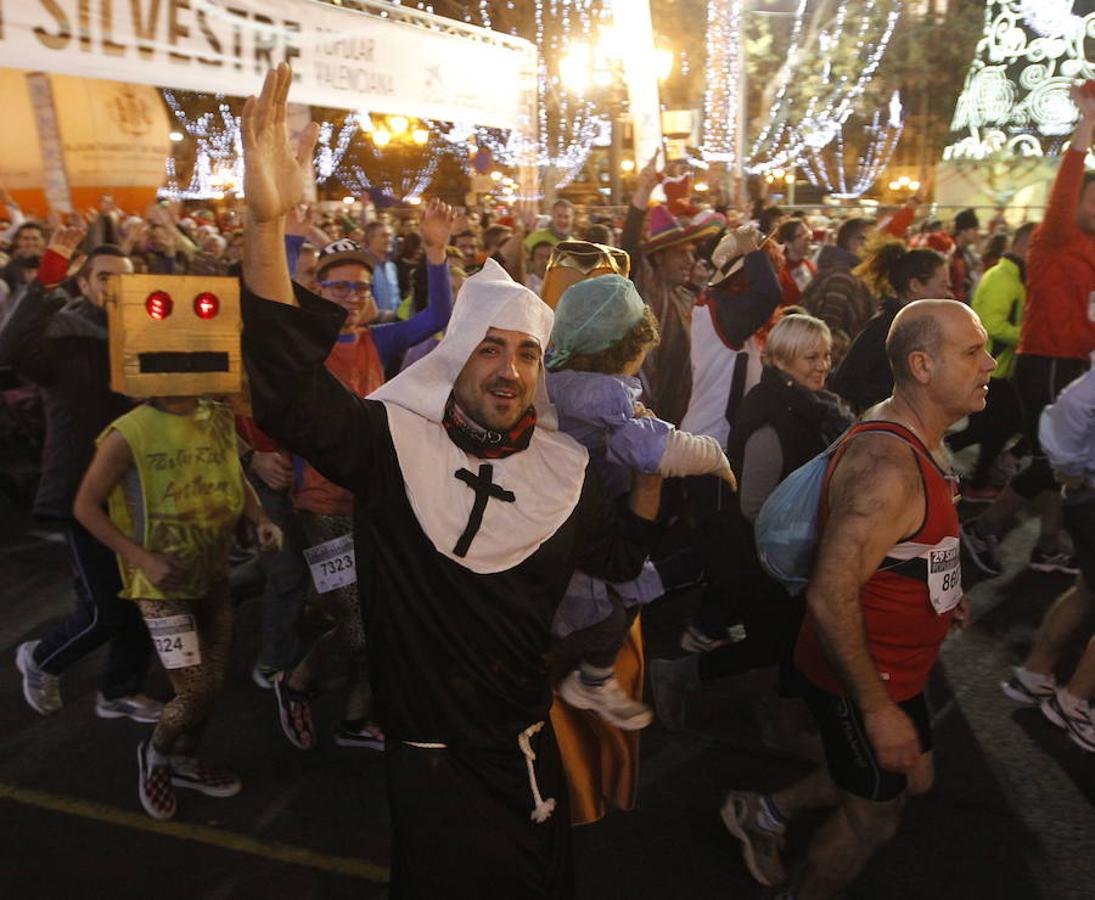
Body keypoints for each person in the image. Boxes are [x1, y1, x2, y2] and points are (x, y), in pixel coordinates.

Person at [238, 64, 663, 896]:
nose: (509, 369)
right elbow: (288, 389)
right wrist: (267, 224)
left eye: (527, 352)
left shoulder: (563, 470)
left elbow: (622, 556)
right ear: (454, 358)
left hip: (527, 748)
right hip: (431, 767)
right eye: (491, 347)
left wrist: (653, 470)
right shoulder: (393, 446)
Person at [721, 300, 990, 898]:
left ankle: (765, 810)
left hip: (901, 670)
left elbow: (903, 544)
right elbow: (830, 593)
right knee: (875, 818)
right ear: (921, 365)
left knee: (914, 779)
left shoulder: (911, 428)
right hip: (862, 679)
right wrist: (875, 709)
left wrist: (942, 590)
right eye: (973, 352)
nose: (990, 363)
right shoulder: (885, 468)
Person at [271, 203, 456, 752]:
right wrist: (288, 242)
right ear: (316, 291)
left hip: (372, 499)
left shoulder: (380, 342)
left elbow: (436, 315)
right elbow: (273, 307)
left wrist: (437, 251)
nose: (350, 298)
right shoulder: (302, 346)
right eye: (338, 288)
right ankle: (297, 680)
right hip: (320, 504)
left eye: (359, 288)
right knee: (358, 622)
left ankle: (355, 719)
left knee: (375, 612)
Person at [73, 390, 282, 821]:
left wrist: (259, 519)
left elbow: (236, 475)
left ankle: (185, 760)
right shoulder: (128, 432)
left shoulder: (218, 418)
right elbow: (85, 506)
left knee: (213, 685)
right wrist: (142, 558)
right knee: (196, 690)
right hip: (160, 587)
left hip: (214, 576)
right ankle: (156, 755)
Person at [546, 274, 733, 730]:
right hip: (588, 519)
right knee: (607, 613)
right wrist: (717, 459)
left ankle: (588, 681)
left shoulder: (555, 373)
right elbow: (653, 451)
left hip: (557, 511)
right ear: (631, 347)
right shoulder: (604, 393)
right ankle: (590, 683)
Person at [651, 315, 853, 732]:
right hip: (768, 557)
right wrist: (803, 543)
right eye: (810, 357)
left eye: (826, 355)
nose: (822, 365)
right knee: (775, 643)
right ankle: (683, 676)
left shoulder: (810, 405)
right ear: (780, 360)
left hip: (790, 553)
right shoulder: (772, 417)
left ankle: (768, 708)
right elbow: (755, 504)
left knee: (784, 642)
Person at [3, 232, 161, 724]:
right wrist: (47, 273)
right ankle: (43, 658)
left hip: (140, 490)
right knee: (104, 610)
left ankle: (119, 689)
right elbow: (7, 346)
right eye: (105, 277)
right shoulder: (65, 336)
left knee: (137, 601)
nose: (115, 287)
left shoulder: (148, 335)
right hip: (81, 493)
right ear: (86, 283)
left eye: (126, 279)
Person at [961, 84, 1095, 579]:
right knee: (1054, 460)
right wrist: (1087, 124)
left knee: (1066, 459)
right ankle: (984, 530)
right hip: (1048, 359)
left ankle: (1048, 544)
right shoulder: (1056, 236)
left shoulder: (1091, 247)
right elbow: (1065, 185)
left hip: (1076, 362)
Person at [1000, 368, 1095, 753]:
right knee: (1085, 589)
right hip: (1090, 494)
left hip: (1086, 492)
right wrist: (1069, 470)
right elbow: (1070, 406)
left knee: (1085, 589)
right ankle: (1073, 701)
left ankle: (1036, 674)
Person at [621, 154, 722, 426]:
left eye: (691, 253)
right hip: (644, 413)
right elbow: (628, 247)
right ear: (659, 258)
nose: (690, 260)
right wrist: (642, 194)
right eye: (680, 253)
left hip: (680, 412)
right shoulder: (645, 289)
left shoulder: (685, 295)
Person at [947, 222, 1035, 500]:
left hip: (1000, 368)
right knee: (992, 427)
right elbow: (993, 325)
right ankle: (970, 477)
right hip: (993, 368)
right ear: (1022, 246)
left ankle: (969, 473)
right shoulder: (1003, 279)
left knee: (989, 427)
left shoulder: (1014, 277)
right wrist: (1028, 337)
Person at [830, 238, 950, 413]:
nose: (946, 293)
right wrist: (896, 398)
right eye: (942, 285)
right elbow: (846, 382)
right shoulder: (884, 326)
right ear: (915, 285)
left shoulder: (922, 325)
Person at [799, 217, 875, 345]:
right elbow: (830, 327)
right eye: (866, 239)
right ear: (851, 242)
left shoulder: (850, 271)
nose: (871, 245)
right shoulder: (842, 276)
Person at [776, 218, 817, 306]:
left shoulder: (808, 264)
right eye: (802, 236)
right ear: (788, 243)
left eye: (808, 233)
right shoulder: (780, 272)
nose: (809, 238)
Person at [949, 208, 981, 303]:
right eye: (974, 229)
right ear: (963, 230)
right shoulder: (950, 251)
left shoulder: (966, 252)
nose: (977, 234)